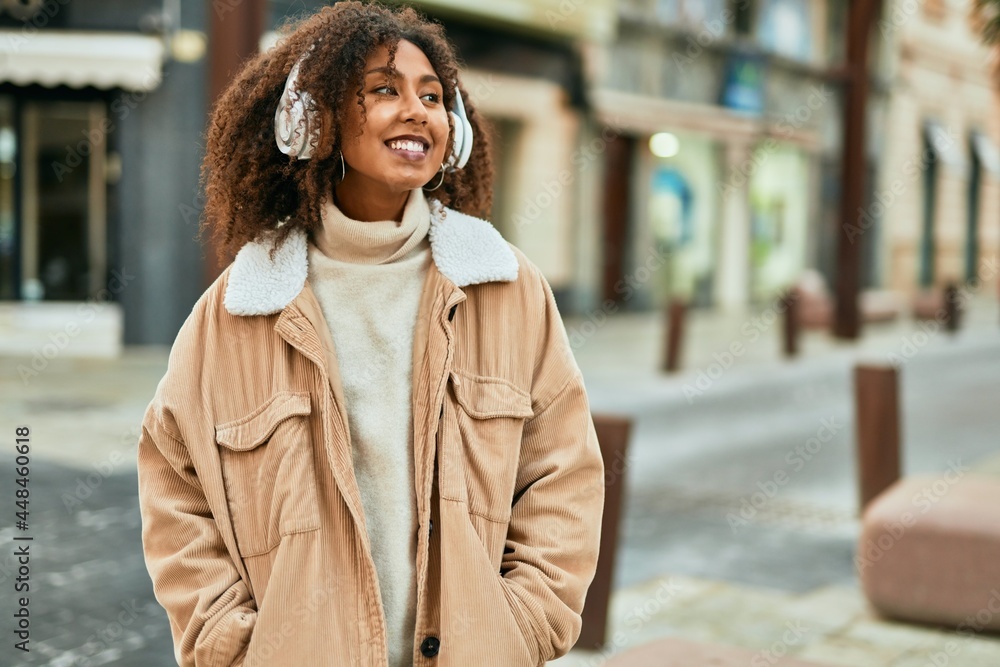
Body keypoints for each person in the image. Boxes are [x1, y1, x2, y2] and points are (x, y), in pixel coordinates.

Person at [135, 3, 604, 666]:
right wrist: (229, 643)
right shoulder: (239, 309)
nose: (416, 111)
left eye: (432, 97)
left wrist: (524, 624)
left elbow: (564, 470)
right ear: (311, 120)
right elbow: (172, 480)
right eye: (385, 90)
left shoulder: (506, 288)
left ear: (455, 130)